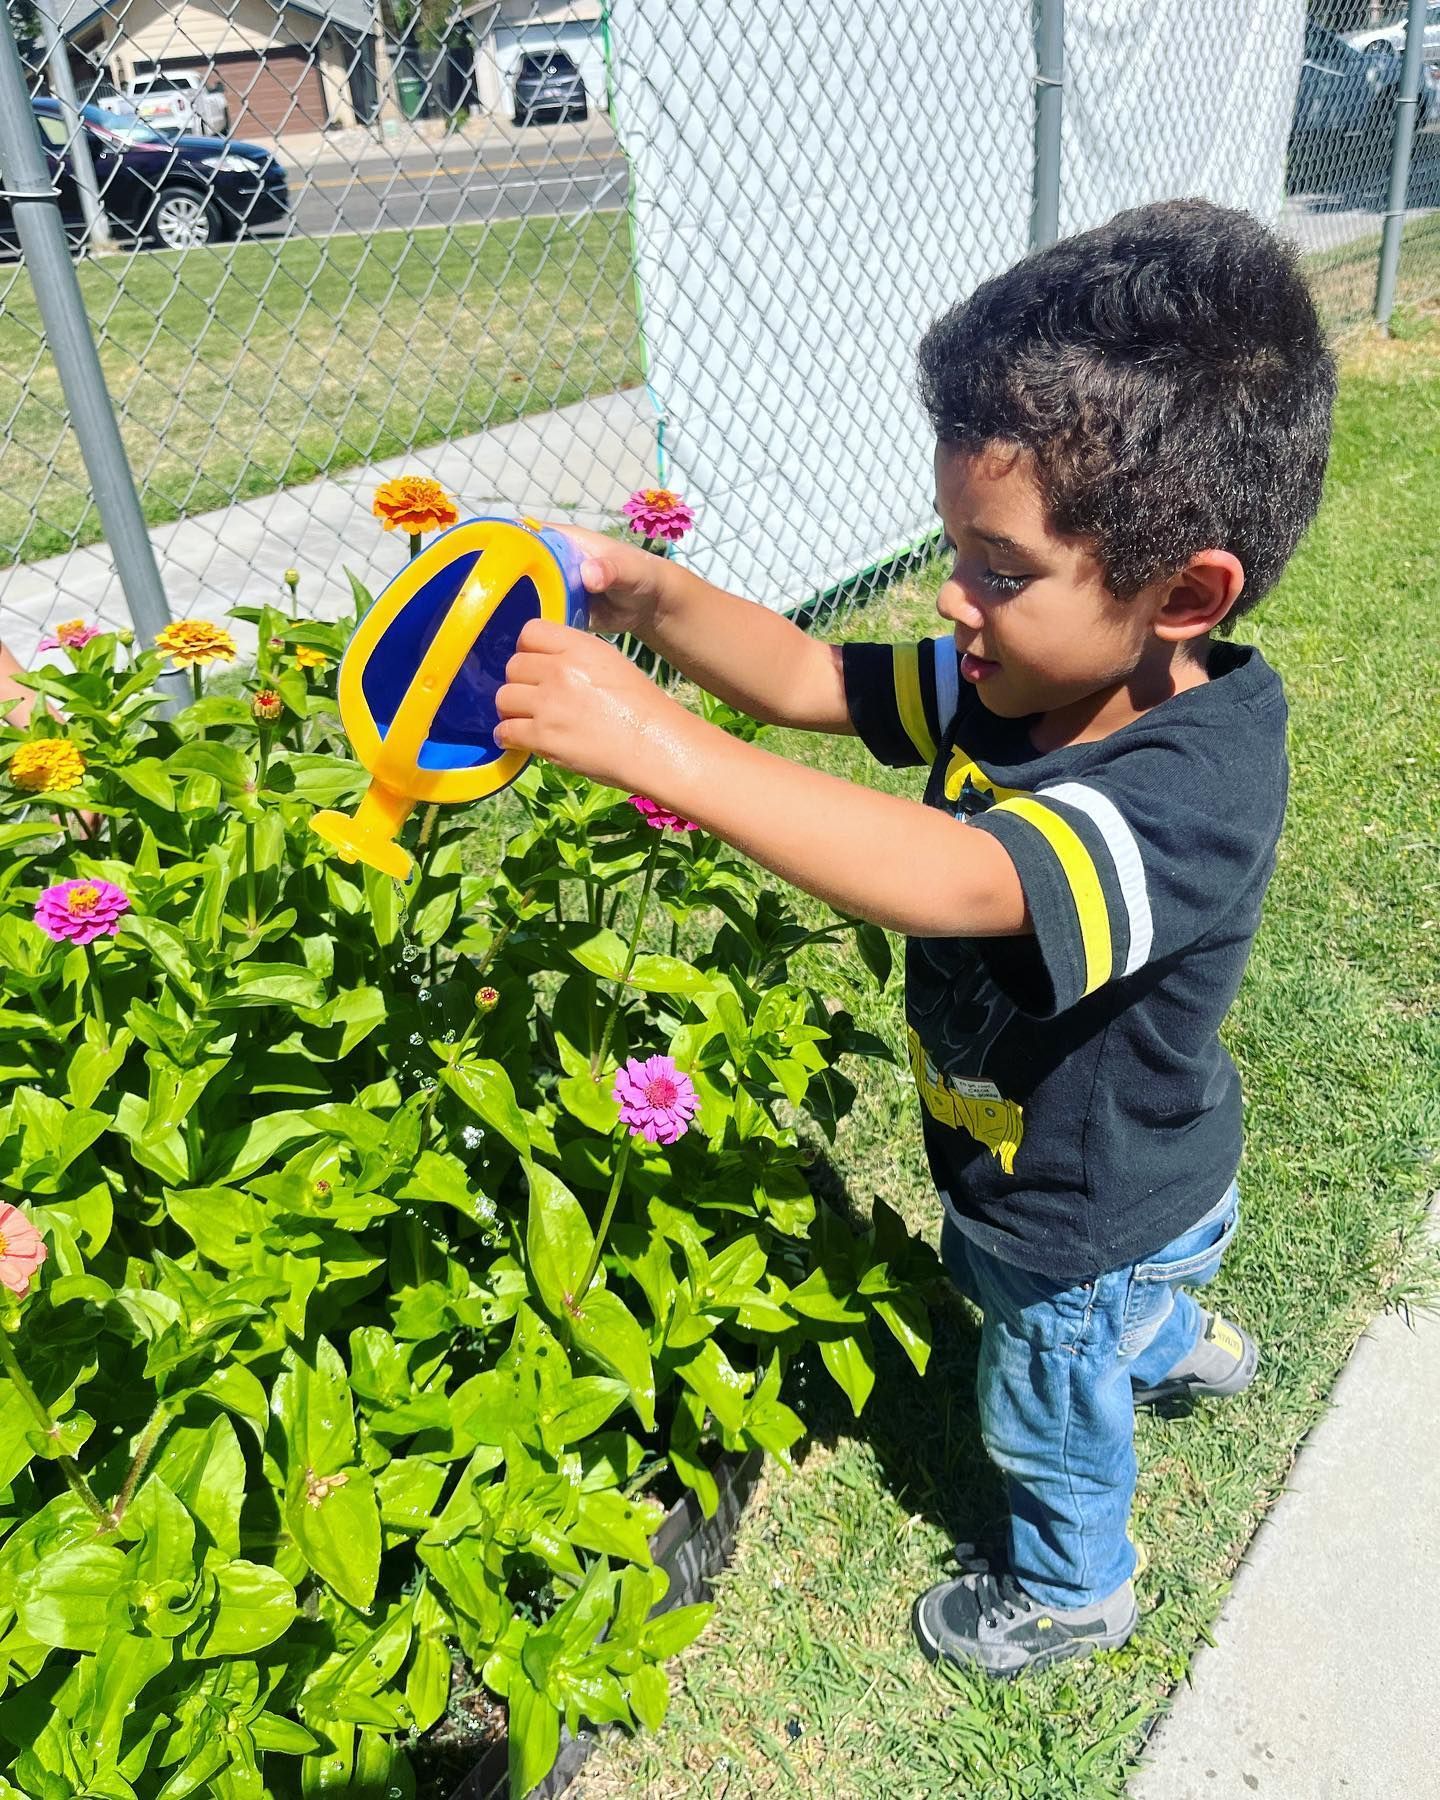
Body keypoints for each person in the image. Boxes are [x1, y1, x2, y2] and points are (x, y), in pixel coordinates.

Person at [494, 198, 1336, 1676]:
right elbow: (815, 678)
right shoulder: (1015, 679)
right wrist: (652, 595)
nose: (954, 596)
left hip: (1086, 1201)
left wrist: (663, 753)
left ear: (1187, 594)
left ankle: (1076, 1585)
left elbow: (963, 881)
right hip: (1102, 1166)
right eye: (956, 546)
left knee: (1039, 1381)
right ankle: (1169, 1341)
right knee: (1102, 1320)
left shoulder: (1190, 780)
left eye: (998, 567)